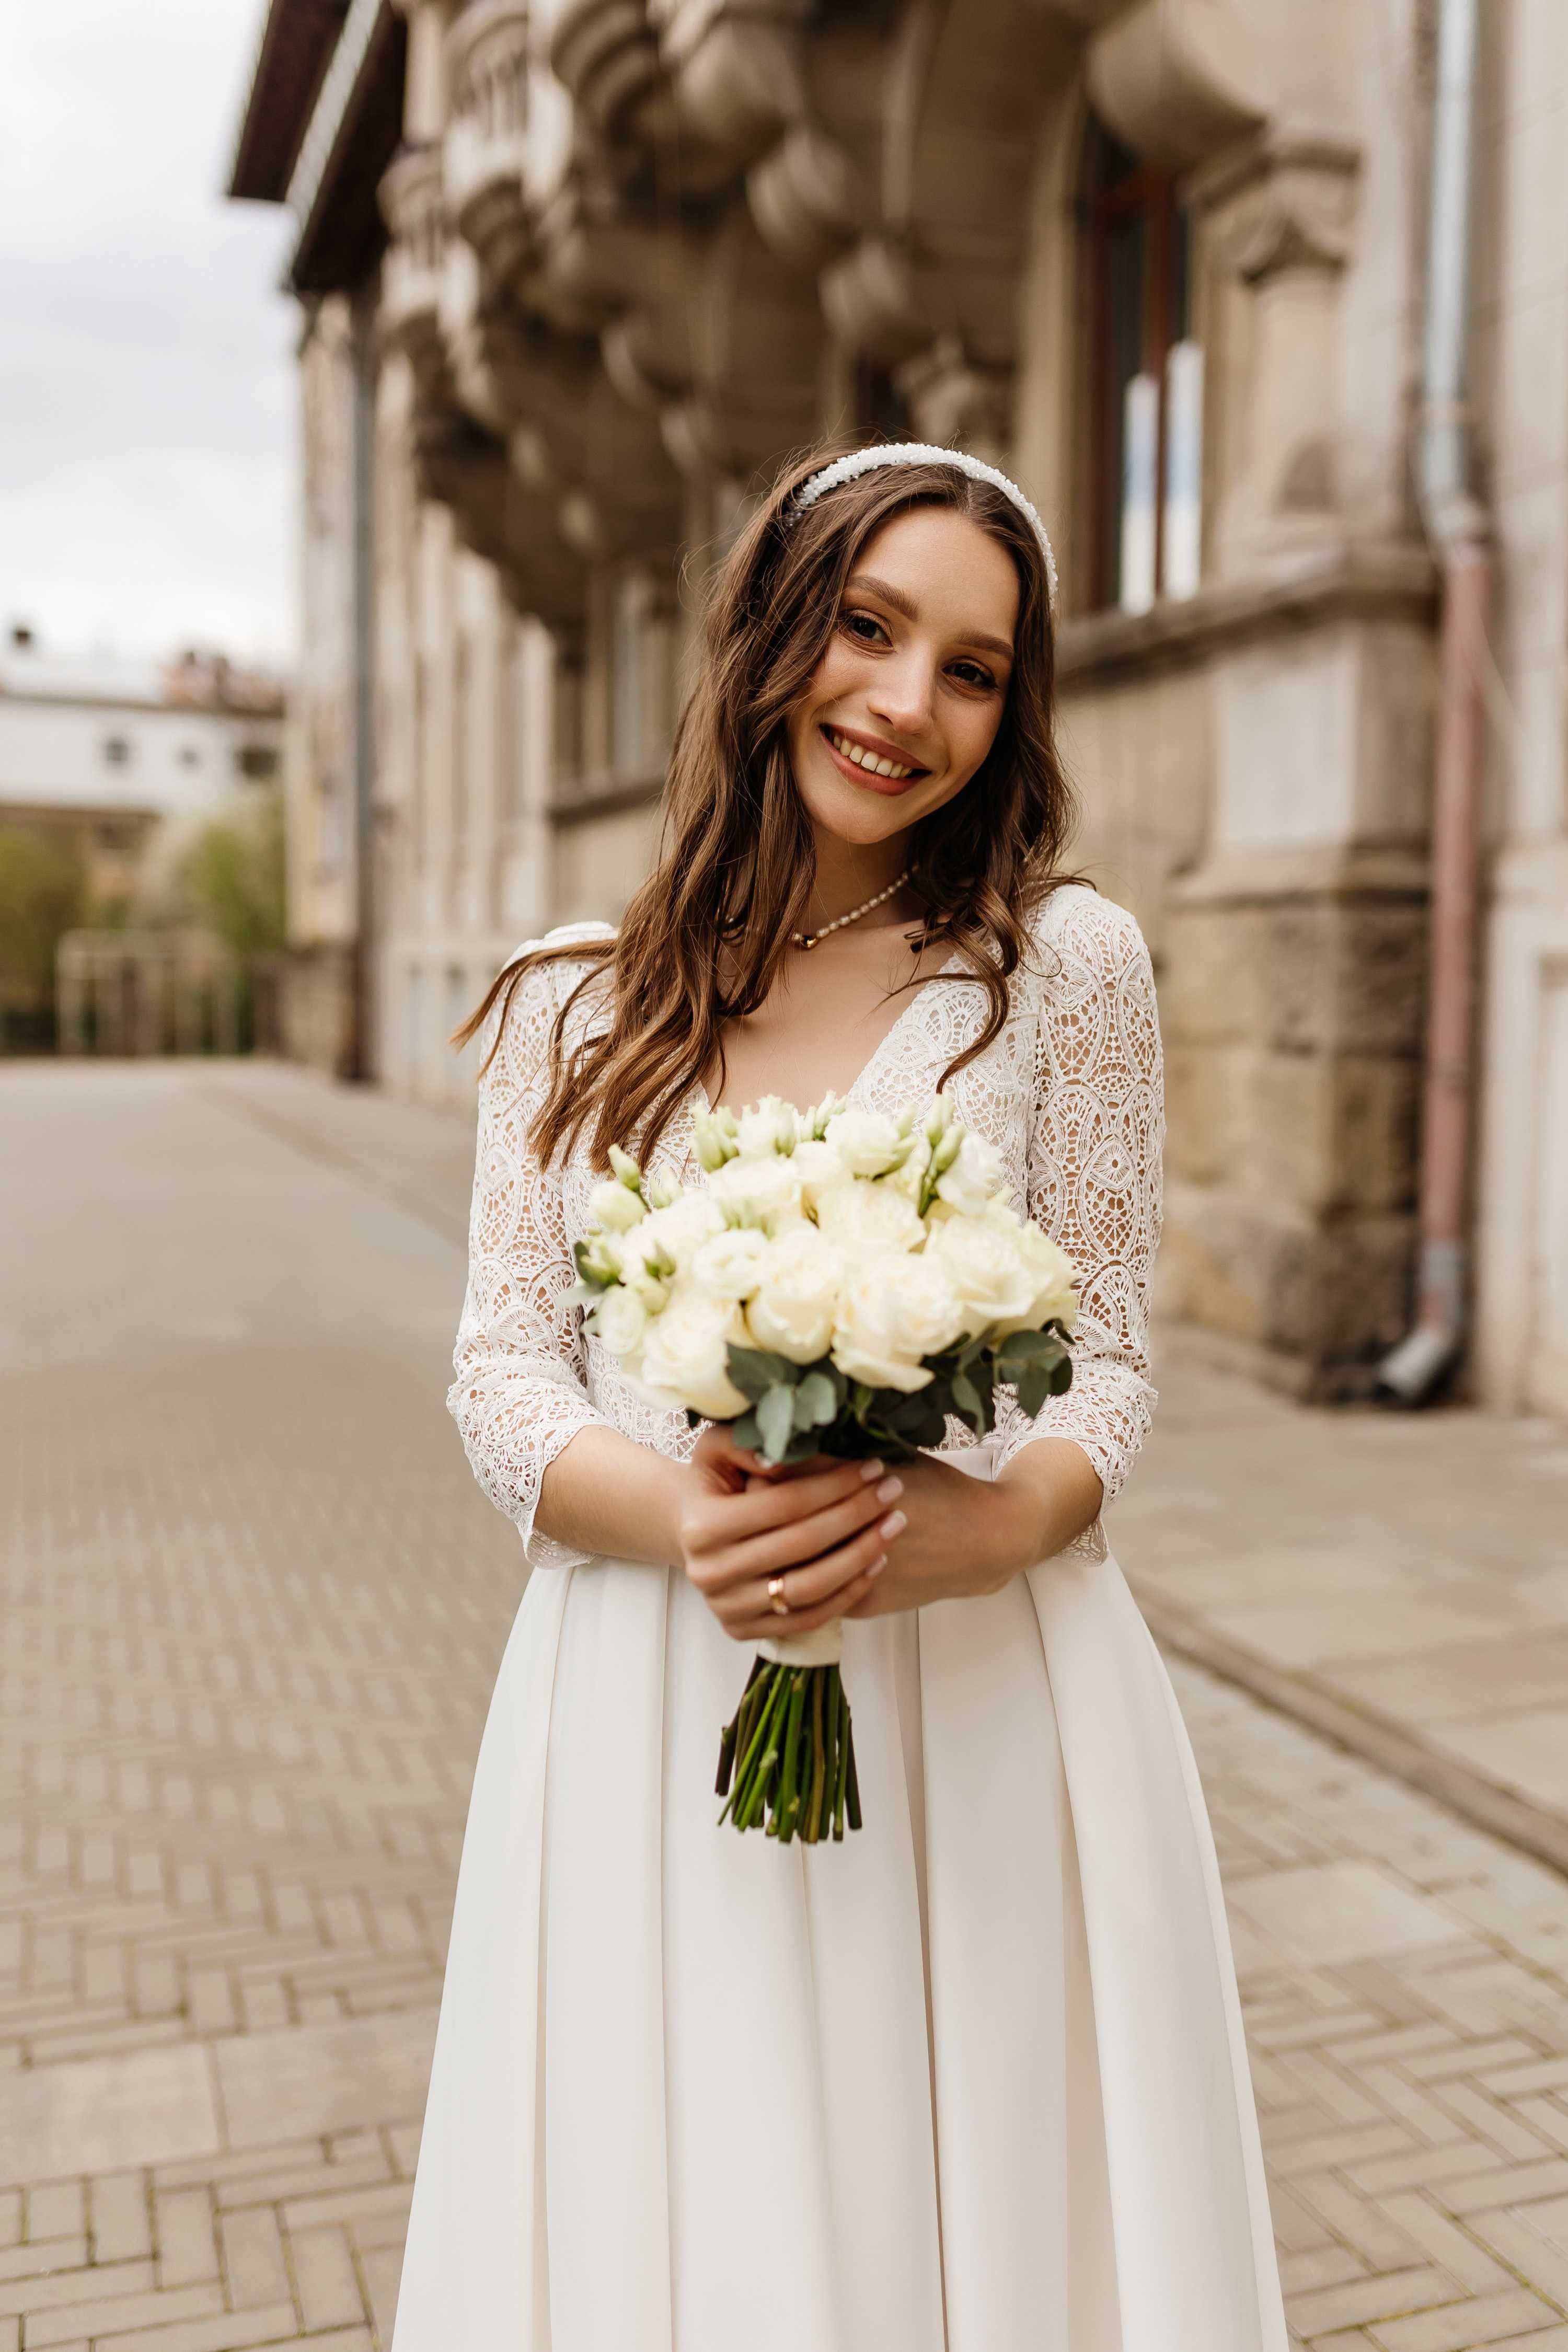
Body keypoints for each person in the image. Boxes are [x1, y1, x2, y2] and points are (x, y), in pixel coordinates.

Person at [390, 443, 1286, 2351]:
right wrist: (687, 1522)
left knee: (973, 2206)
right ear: (771, 637)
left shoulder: (1064, 970)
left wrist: (996, 1523)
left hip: (983, 1685)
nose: (907, 704)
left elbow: (1112, 1355)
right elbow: (499, 1368)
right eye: (869, 629)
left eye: (974, 667)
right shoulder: (572, 995)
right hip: (645, 1694)